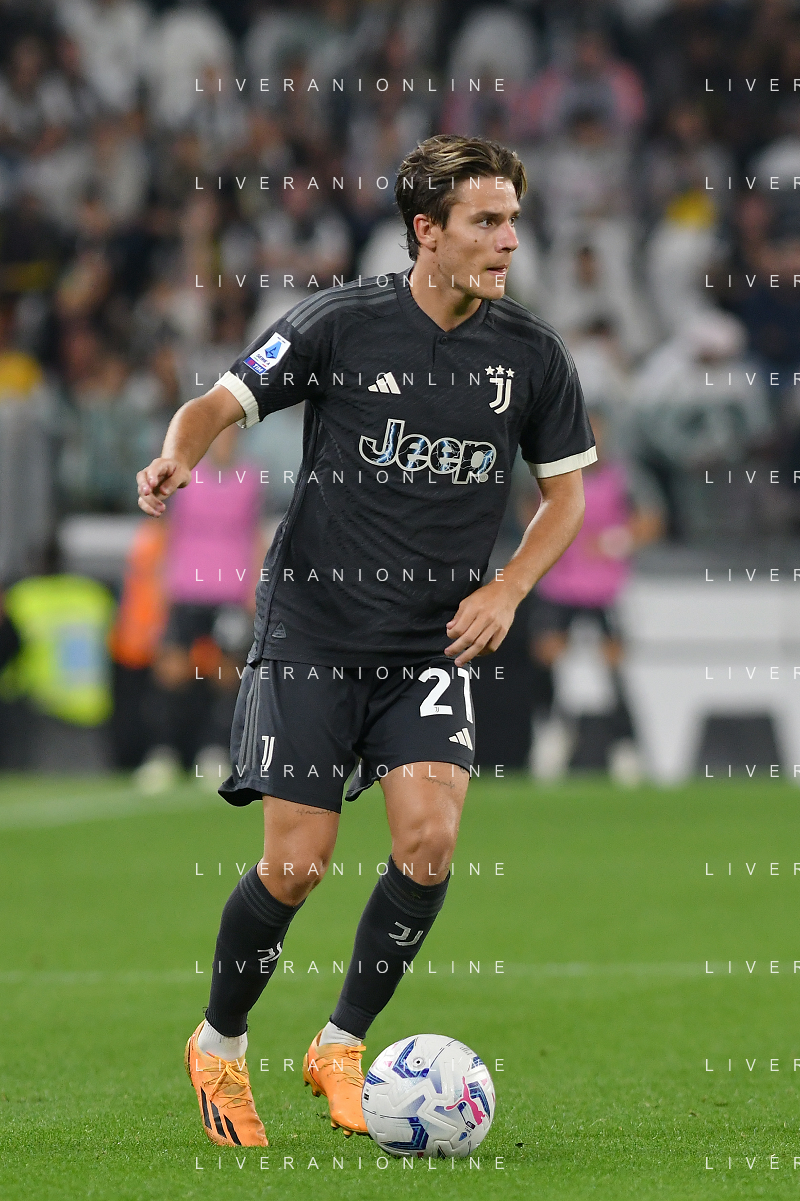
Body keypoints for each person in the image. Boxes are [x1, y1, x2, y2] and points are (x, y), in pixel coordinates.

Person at [136, 134, 596, 1149]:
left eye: (512, 221)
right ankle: (219, 1041)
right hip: (314, 629)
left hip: (429, 644)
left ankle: (340, 1041)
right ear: (426, 231)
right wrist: (178, 457)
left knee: (428, 846)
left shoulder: (530, 354)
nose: (508, 240)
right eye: (485, 221)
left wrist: (509, 587)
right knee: (297, 866)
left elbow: (565, 497)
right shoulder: (339, 323)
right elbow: (217, 402)